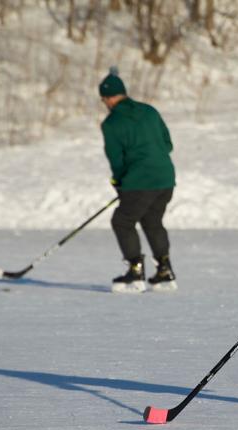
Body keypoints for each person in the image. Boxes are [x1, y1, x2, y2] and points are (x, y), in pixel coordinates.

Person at [99, 68, 177, 293]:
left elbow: (116, 160)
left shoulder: (112, 123)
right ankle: (165, 272)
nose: (104, 102)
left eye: (104, 99)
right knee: (152, 221)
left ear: (109, 98)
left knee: (122, 221)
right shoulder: (149, 111)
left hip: (140, 181)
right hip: (166, 179)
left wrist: (119, 182)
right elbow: (168, 144)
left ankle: (135, 273)